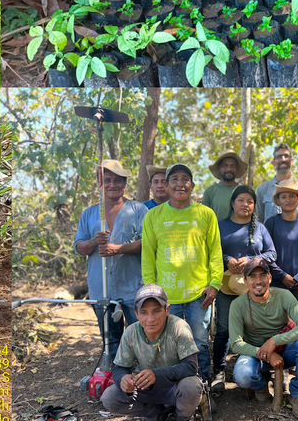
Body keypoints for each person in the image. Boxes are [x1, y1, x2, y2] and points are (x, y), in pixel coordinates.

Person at [142, 163, 222, 382]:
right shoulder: (153, 216)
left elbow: (215, 251)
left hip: (200, 294)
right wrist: (151, 289)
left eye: (185, 179)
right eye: (174, 179)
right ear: (166, 185)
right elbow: (148, 255)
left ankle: (203, 386)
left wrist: (215, 284)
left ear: (192, 185)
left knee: (199, 342)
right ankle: (173, 389)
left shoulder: (206, 214)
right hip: (165, 296)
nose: (180, 184)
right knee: (168, 344)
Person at [74, 160, 150, 362]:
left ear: (124, 184)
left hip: (133, 287)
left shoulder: (138, 210)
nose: (112, 184)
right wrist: (94, 241)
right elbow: (79, 247)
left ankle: (144, 376)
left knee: (142, 334)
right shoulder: (90, 214)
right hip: (101, 289)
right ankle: (117, 377)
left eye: (117, 180)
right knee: (110, 340)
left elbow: (150, 242)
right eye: (107, 180)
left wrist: (119, 249)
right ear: (101, 183)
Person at [101, 284, 205, 421]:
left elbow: (191, 366)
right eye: (144, 312)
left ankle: (183, 416)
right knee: (109, 397)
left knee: (191, 386)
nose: (150, 319)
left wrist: (157, 375)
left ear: (167, 309)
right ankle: (156, 412)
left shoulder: (179, 327)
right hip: (146, 389)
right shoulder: (131, 332)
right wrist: (123, 380)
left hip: (175, 387)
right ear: (136, 313)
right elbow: (119, 368)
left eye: (156, 311)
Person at [229, 258, 298, 420]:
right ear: (245, 280)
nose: (258, 281)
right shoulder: (238, 305)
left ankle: (297, 394)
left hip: (284, 350)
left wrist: (275, 341)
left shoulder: (283, 295)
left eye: (262, 275)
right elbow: (235, 344)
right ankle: (261, 385)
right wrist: (268, 353)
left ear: (270, 278)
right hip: (256, 355)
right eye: (252, 277)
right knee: (243, 375)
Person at [211, 185, 277, 392]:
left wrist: (251, 259)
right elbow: (210, 251)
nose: (245, 204)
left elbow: (272, 254)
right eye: (241, 200)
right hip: (226, 286)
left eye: (250, 201)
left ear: (254, 205)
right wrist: (227, 259)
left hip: (255, 288)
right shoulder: (220, 225)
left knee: (257, 327)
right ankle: (218, 370)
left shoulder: (260, 228)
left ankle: (261, 369)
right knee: (223, 329)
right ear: (232, 203)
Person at [264, 179, 298, 306]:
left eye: (292, 196)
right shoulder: (271, 223)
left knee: (295, 321)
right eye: (283, 197)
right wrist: (281, 275)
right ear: (278, 201)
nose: (288, 200)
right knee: (277, 321)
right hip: (276, 282)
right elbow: (266, 253)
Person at [254, 143, 298, 224]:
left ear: (292, 161)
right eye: (279, 157)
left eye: (286, 156)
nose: (283, 159)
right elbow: (258, 222)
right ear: (273, 162)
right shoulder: (262, 189)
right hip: (268, 236)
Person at [202, 151, 247, 221]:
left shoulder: (245, 191)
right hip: (216, 231)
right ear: (218, 168)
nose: (229, 169)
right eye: (225, 165)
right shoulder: (210, 192)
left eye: (233, 166)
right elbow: (205, 218)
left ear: (237, 168)